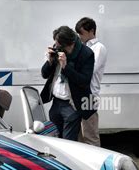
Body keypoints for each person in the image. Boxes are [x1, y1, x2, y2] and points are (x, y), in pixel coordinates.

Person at [40, 26, 95, 141]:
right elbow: (44, 74)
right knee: (55, 139)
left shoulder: (86, 54)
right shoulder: (58, 50)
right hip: (56, 103)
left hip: (72, 104)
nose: (58, 48)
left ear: (70, 44)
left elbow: (84, 81)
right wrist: (50, 61)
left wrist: (65, 66)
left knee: (68, 141)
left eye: (60, 46)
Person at [75, 17, 108, 147]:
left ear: (91, 31)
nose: (79, 36)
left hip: (90, 96)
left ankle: (96, 164)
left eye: (81, 33)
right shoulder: (82, 47)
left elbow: (90, 71)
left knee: (90, 135)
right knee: (80, 136)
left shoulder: (99, 48)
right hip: (79, 95)